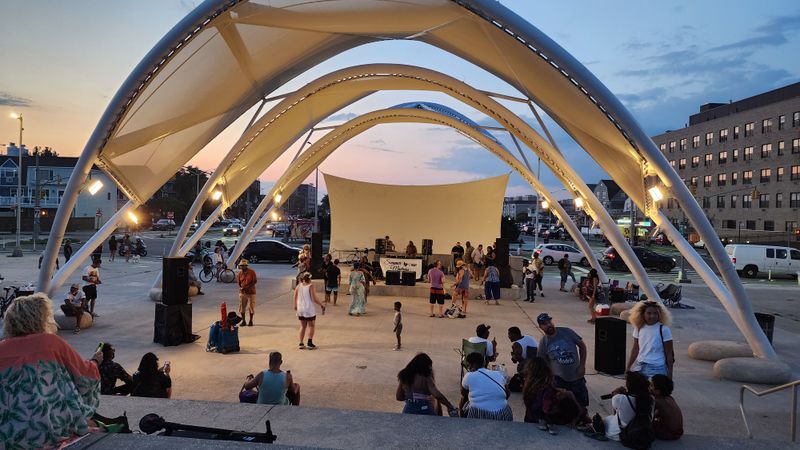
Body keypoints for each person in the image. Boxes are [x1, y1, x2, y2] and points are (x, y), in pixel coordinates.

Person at [0, 293, 102, 449]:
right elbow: (85, 377)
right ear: (40, 318)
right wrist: (95, 361)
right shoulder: (50, 342)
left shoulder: (2, 348)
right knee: (95, 426)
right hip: (49, 431)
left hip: (7, 435)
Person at [536, 313, 589, 420]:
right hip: (559, 381)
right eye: (544, 324)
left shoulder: (567, 332)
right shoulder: (543, 342)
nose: (548, 325)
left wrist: (582, 366)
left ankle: (582, 420)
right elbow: (542, 362)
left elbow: (582, 346)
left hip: (576, 377)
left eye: (549, 322)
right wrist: (549, 378)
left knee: (582, 405)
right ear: (540, 327)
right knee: (563, 407)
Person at [523, 357, 582, 434]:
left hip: (533, 423)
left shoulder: (529, 390)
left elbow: (530, 412)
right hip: (552, 424)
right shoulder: (552, 389)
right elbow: (578, 410)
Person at [626, 300, 675, 378]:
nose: (652, 316)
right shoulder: (638, 328)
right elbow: (635, 349)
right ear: (643, 314)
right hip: (640, 366)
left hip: (657, 368)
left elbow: (669, 353)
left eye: (655, 313)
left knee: (653, 390)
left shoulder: (664, 329)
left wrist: (670, 374)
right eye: (649, 313)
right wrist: (628, 367)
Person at [459, 352, 512, 420]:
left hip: (479, 414)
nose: (468, 368)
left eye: (468, 365)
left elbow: (463, 394)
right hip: (503, 414)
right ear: (483, 363)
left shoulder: (469, 376)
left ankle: (462, 421)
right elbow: (507, 394)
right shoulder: (498, 374)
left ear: (472, 365)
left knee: (464, 400)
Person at [603, 371, 653, 441]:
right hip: (642, 431)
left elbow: (615, 412)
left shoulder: (619, 398)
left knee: (607, 420)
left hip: (623, 433)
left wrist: (615, 393)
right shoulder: (650, 399)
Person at [294, 272, 326, 349]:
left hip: (300, 309)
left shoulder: (298, 286)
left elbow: (295, 297)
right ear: (310, 279)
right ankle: (309, 343)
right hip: (308, 309)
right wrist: (321, 304)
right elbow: (314, 298)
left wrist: (295, 306)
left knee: (302, 326)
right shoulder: (310, 286)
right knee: (311, 326)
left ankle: (301, 343)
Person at [651, 374, 683, 440]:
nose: (649, 387)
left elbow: (650, 416)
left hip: (668, 433)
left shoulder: (657, 401)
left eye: (651, 385)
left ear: (658, 391)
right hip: (678, 432)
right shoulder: (670, 398)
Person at [237, 259, 257, 326]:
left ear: (246, 266)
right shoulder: (240, 273)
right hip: (243, 292)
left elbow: (254, 281)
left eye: (244, 266)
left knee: (251, 307)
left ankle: (251, 320)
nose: (242, 267)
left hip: (251, 292)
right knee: (242, 307)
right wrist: (242, 288)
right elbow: (239, 283)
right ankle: (244, 321)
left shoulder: (252, 272)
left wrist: (247, 287)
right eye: (241, 266)